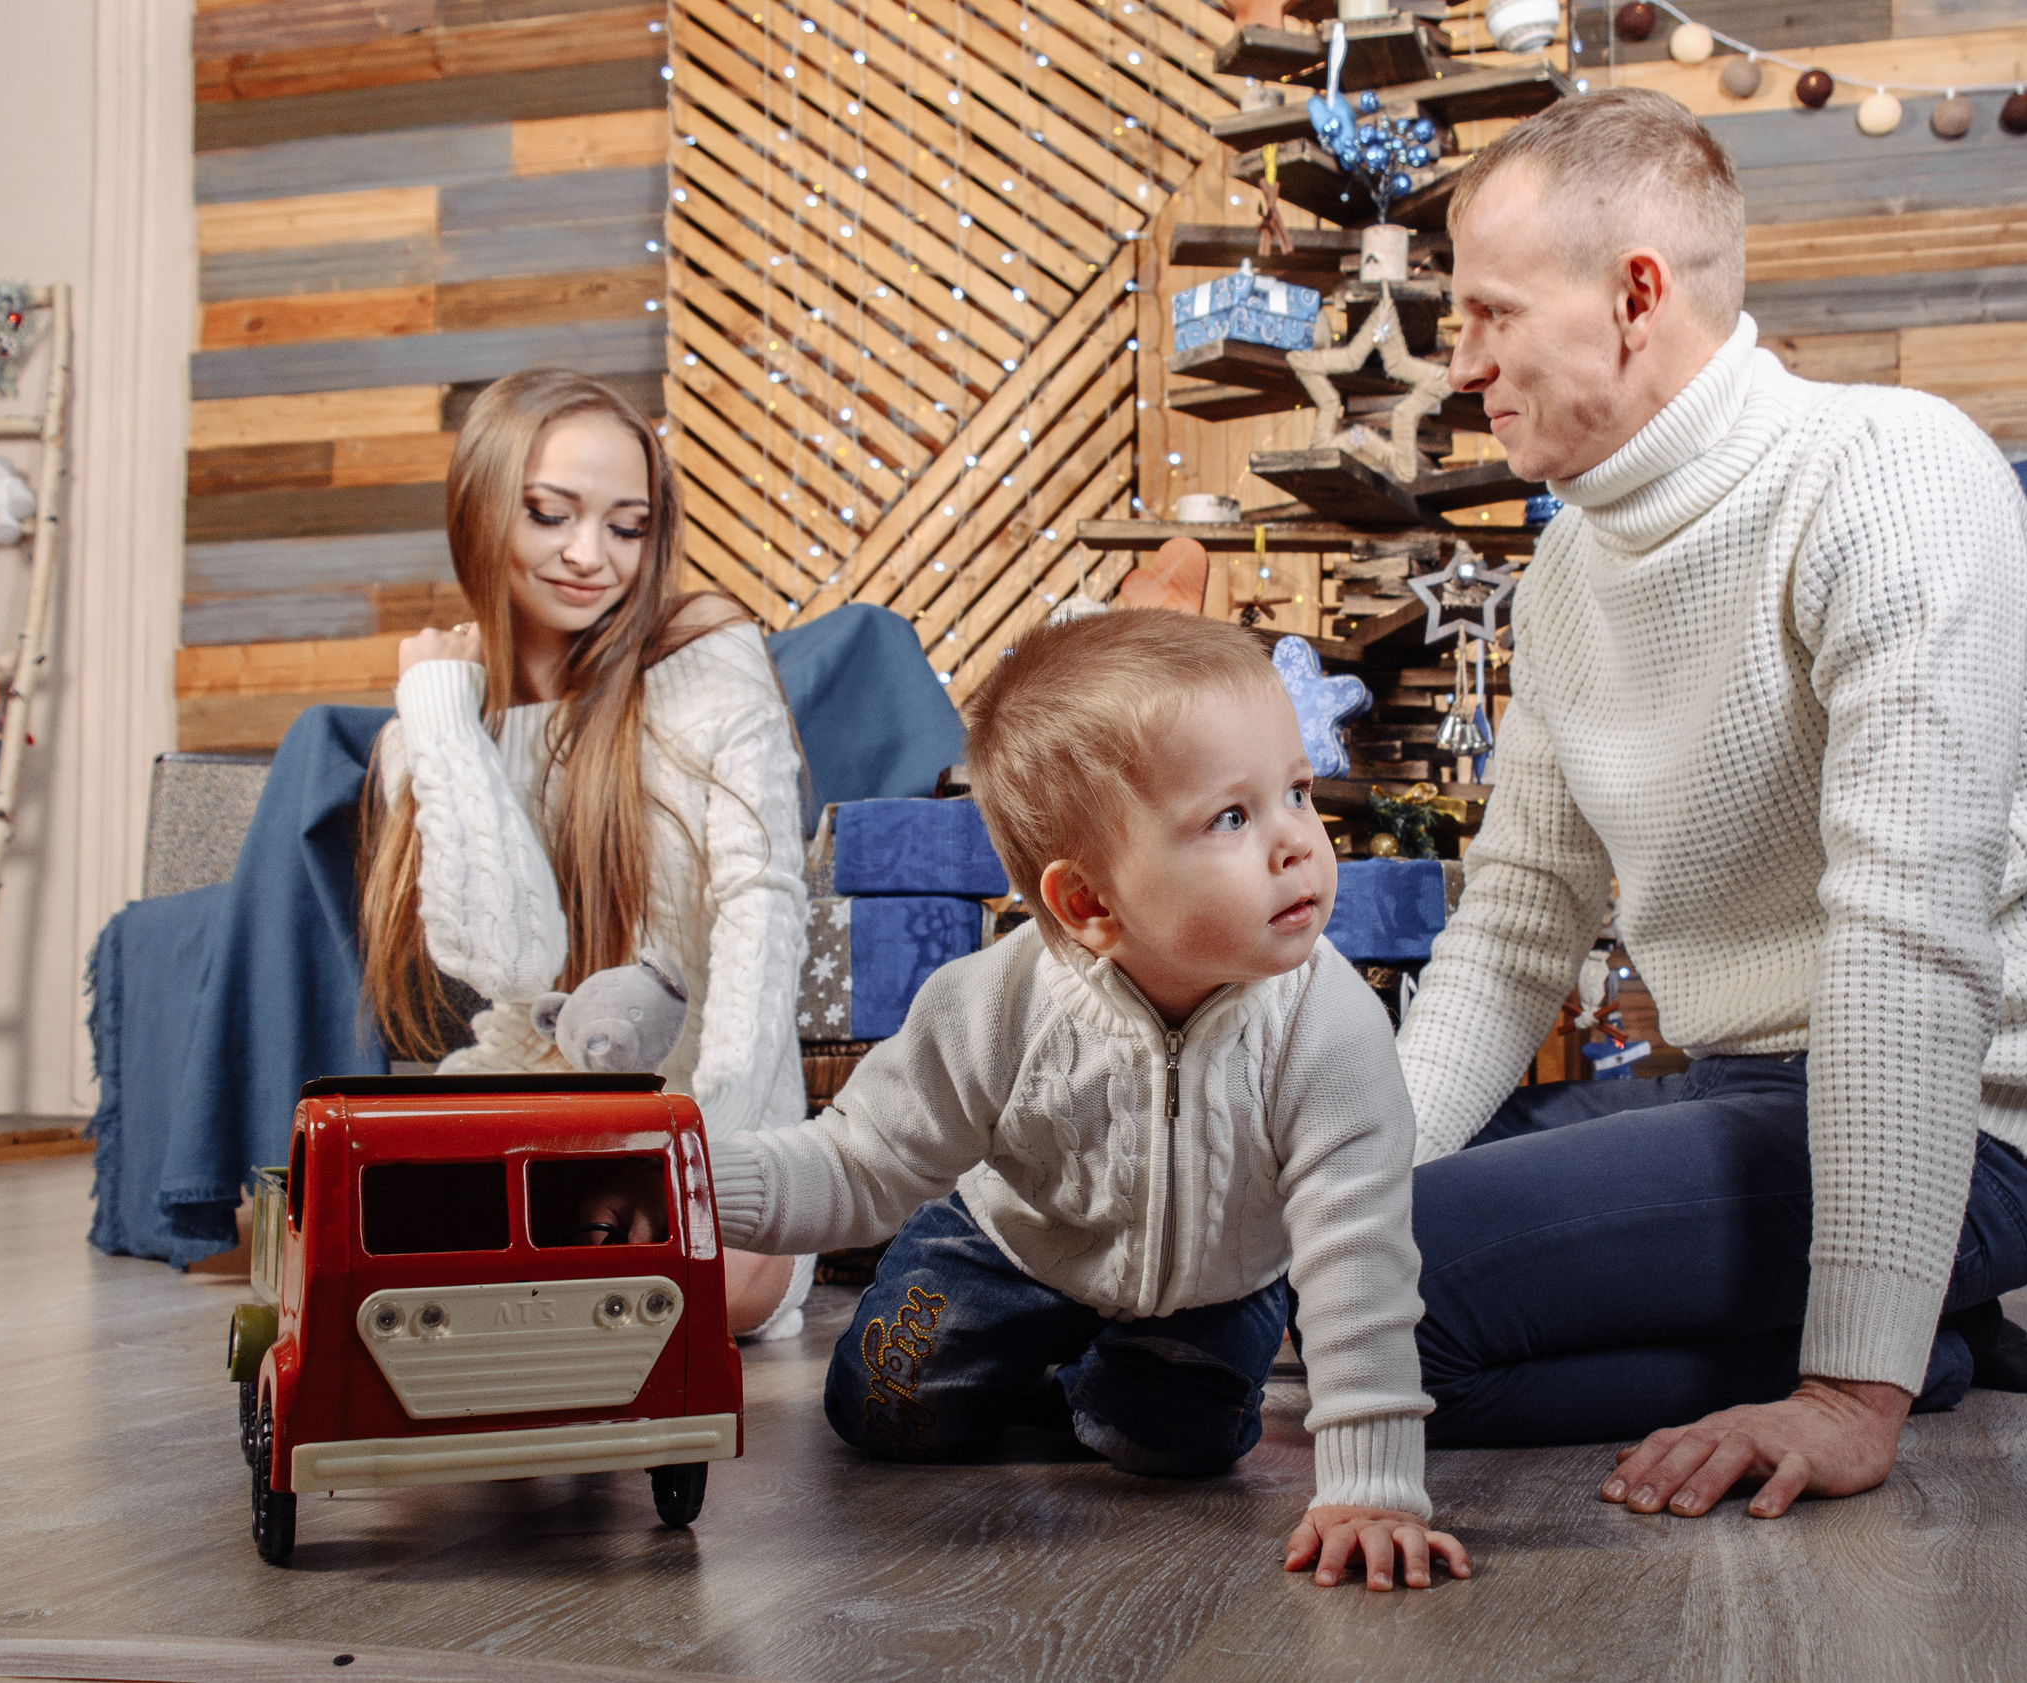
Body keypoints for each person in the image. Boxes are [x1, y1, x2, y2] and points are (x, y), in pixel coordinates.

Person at [1398, 89, 2027, 1519]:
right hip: (1740, 1100)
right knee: (1329, 1252)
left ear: (1634, 297)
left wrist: (1850, 1393)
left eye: (1488, 313)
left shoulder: (1891, 476)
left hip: (1967, 1133)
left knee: (1380, 1304)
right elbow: (1515, 925)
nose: (1459, 361)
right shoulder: (1566, 577)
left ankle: (1899, 1344)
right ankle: (1930, 1334)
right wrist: (1354, 1184)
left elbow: (1908, 935)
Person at [705, 609, 1469, 1592]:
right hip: (1015, 1244)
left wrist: (1371, 1488)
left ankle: (1098, 1376)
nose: (1296, 843)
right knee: (887, 1406)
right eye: (1231, 818)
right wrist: (697, 1186)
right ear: (1090, 904)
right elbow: (858, 1160)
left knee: (1174, 1446)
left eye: (1295, 792)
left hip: (1216, 1283)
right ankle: (1037, 1358)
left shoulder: (1328, 1027)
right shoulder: (994, 1003)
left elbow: (1360, 1259)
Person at [359, 368, 810, 1335]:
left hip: (707, 1118)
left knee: (699, 1279)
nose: (589, 555)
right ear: (482, 511)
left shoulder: (707, 659)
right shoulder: (437, 727)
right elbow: (513, 963)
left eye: (627, 525)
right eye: (550, 514)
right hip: (529, 1110)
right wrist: (442, 719)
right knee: (372, 1236)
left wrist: (710, 1151)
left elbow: (763, 908)